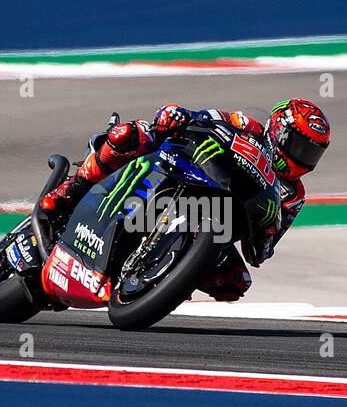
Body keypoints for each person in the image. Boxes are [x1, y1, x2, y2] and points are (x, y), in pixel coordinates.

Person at [39, 100, 330, 301]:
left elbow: (260, 253)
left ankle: (167, 276)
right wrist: (178, 115)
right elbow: (204, 116)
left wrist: (265, 234)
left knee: (234, 283)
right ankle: (72, 189)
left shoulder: (294, 196)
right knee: (130, 134)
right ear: (279, 131)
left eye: (311, 153)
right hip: (192, 169)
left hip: (223, 220)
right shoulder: (247, 125)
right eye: (298, 146)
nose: (302, 157)